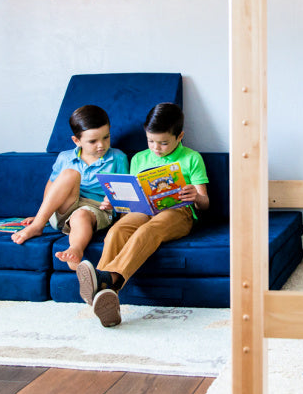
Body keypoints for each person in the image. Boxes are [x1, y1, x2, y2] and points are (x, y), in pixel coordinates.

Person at [76, 102, 209, 327]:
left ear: (180, 136)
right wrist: (114, 201)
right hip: (143, 209)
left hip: (178, 212)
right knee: (117, 230)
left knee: (149, 231)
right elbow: (131, 196)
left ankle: (107, 279)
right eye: (150, 141)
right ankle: (107, 296)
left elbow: (205, 203)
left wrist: (195, 196)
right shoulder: (139, 158)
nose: (156, 148)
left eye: (164, 142)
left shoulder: (192, 158)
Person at [12, 104, 128, 269]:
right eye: (93, 141)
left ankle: (75, 250)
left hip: (96, 210)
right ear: (77, 141)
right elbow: (52, 186)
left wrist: (116, 208)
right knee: (70, 174)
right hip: (64, 207)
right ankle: (37, 226)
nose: (101, 145)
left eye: (106, 137)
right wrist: (40, 216)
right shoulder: (65, 157)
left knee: (81, 215)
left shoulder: (117, 158)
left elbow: (123, 191)